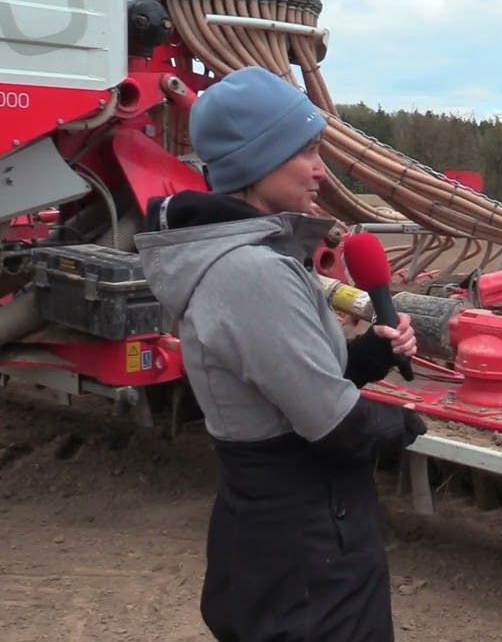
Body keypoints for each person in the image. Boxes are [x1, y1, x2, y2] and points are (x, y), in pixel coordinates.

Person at [133, 65, 427, 642]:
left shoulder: (254, 259)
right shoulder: (251, 272)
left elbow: (292, 385)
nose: (321, 170)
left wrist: (369, 355)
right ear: (257, 160)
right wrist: (413, 424)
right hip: (305, 553)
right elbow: (338, 428)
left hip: (292, 539)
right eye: (307, 150)